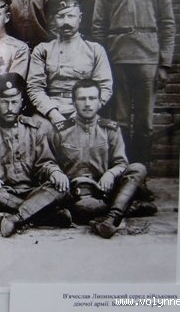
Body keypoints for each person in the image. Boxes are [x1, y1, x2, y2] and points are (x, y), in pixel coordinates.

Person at [92, 0, 176, 167]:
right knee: (119, 120)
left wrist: (164, 64)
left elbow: (167, 24)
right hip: (117, 58)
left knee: (144, 123)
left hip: (148, 59)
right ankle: (121, 170)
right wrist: (103, 62)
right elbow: (98, 26)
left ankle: (140, 174)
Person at [49, 79, 157, 238]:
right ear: (74, 102)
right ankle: (125, 207)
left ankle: (112, 218)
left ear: (100, 102)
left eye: (92, 98)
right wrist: (56, 172)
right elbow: (48, 161)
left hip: (105, 190)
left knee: (138, 168)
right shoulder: (60, 131)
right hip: (75, 193)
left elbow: (121, 163)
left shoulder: (110, 129)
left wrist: (111, 173)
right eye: (82, 99)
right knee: (85, 208)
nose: (87, 104)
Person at [0, 73, 71, 237]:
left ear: (22, 102)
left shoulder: (35, 128)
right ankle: (46, 215)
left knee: (61, 187)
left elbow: (45, 163)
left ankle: (15, 219)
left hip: (33, 191)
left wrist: (55, 172)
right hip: (2, 192)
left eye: (14, 102)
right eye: (5, 102)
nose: (10, 108)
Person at [27, 0, 113, 124]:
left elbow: (104, 87)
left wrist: (80, 114)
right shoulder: (42, 50)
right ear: (53, 20)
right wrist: (53, 114)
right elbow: (35, 88)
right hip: (50, 111)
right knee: (38, 130)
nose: (66, 22)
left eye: (71, 16)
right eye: (60, 17)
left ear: (80, 18)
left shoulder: (95, 50)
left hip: (85, 111)